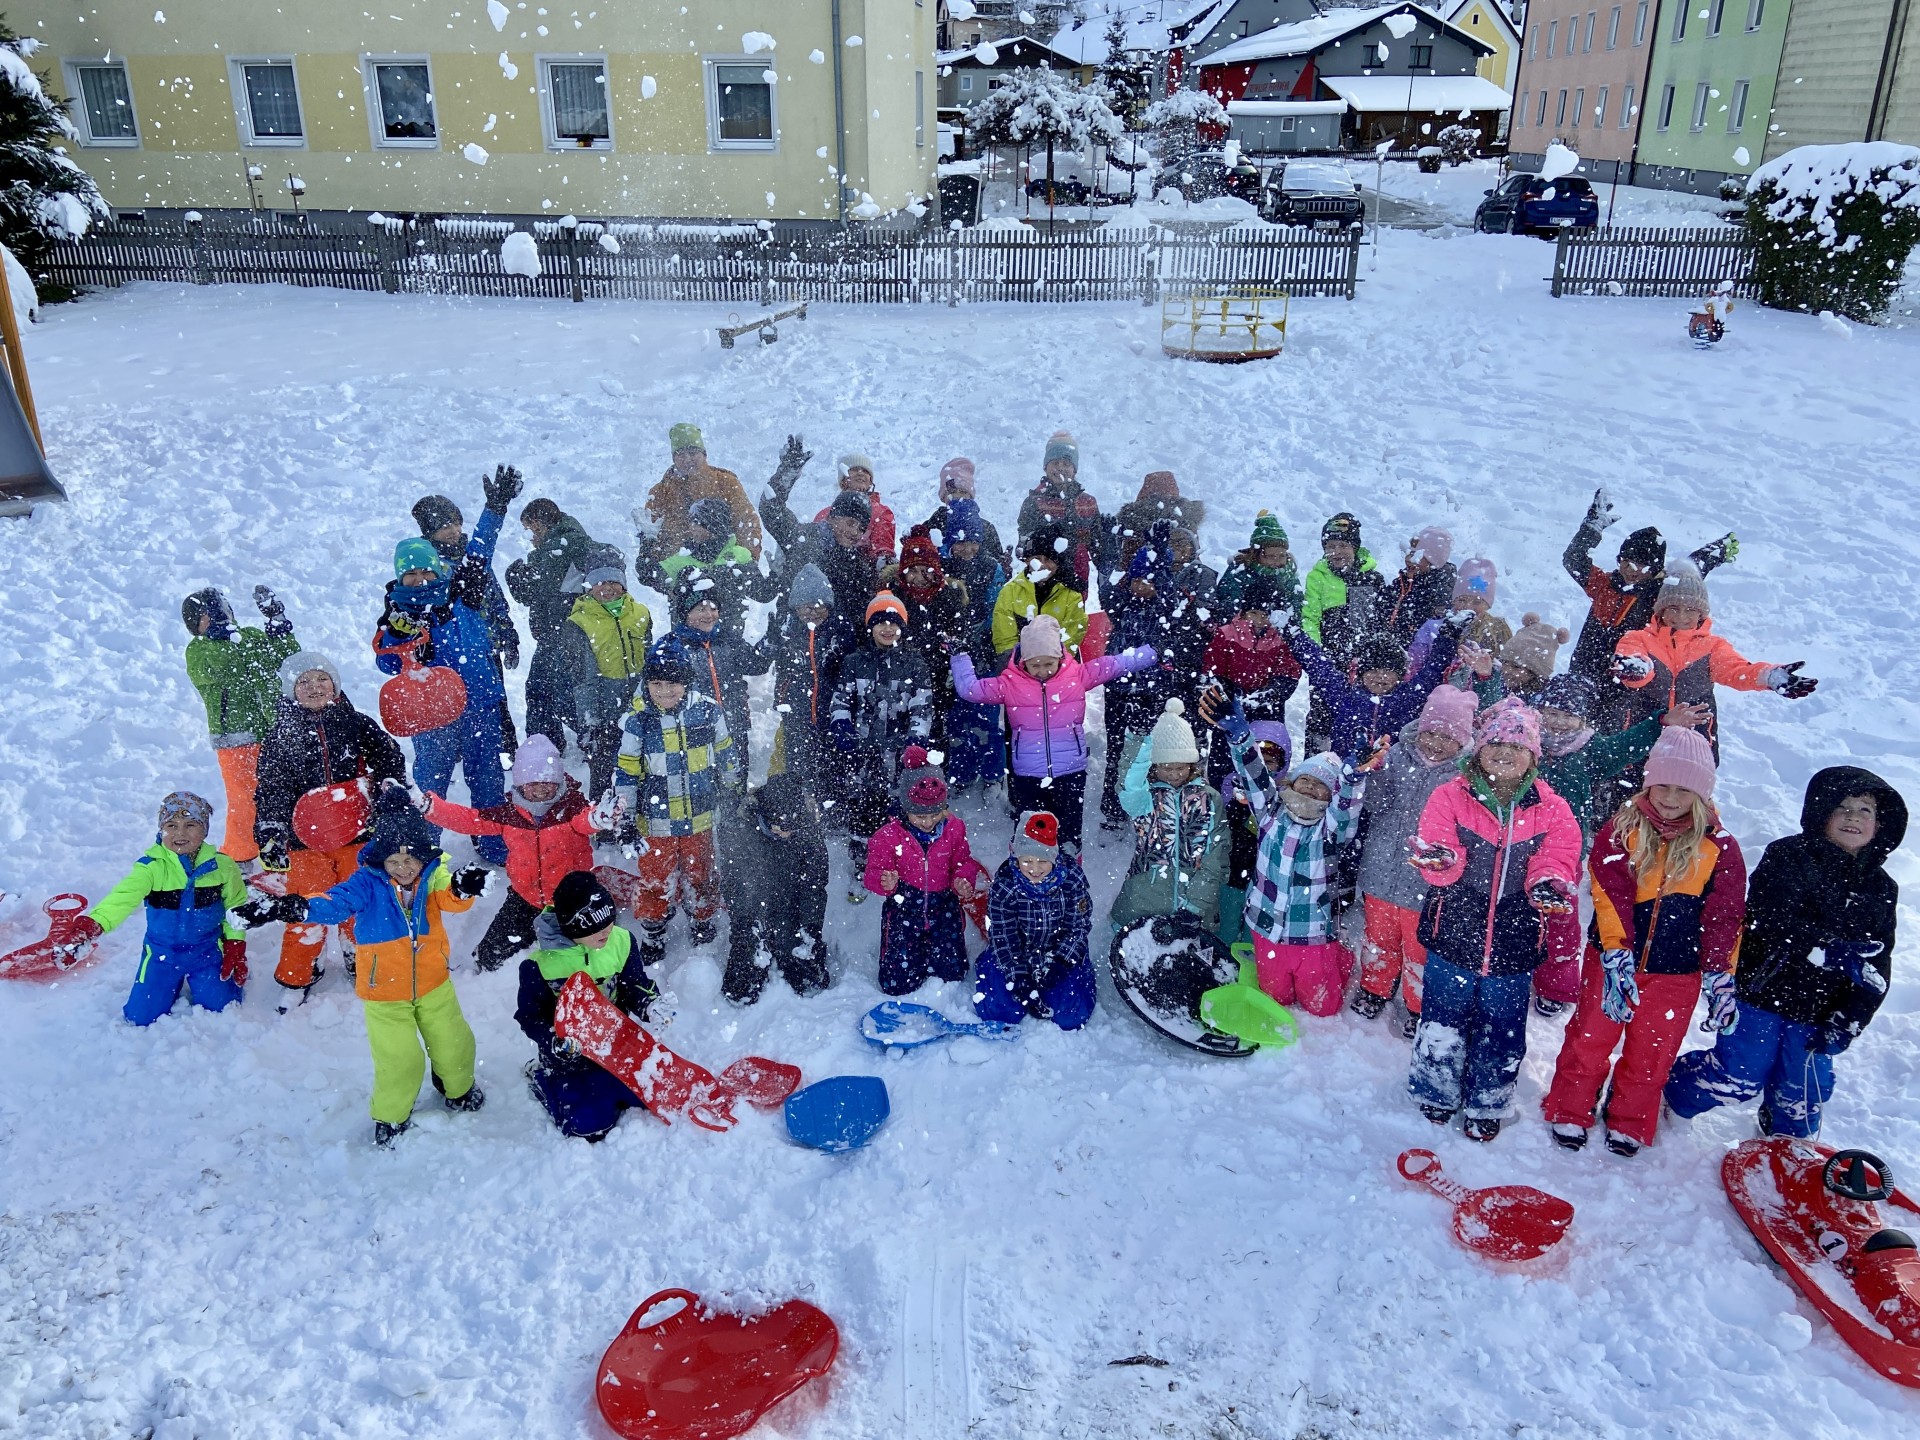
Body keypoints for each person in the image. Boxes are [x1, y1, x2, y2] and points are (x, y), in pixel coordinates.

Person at [235, 791, 490, 1148]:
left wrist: (464, 887)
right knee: (400, 1060)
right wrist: (293, 908)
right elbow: (336, 903)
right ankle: (391, 1114)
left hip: (433, 983)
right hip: (385, 991)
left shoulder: (433, 874)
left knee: (454, 1044)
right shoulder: (366, 883)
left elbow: (450, 895)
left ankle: (458, 1089)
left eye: (411, 860)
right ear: (380, 860)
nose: (403, 868)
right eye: (394, 861)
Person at [1666, 767, 1907, 1139]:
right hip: (1762, 992)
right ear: (1821, 812)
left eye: (1865, 811)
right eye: (1842, 807)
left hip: (1821, 1008)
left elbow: (1877, 963)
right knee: (1739, 1074)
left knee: (1805, 1089)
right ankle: (1672, 1094)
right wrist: (1824, 949)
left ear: (1881, 824)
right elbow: (1767, 918)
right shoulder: (1788, 856)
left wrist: (1851, 1016)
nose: (1852, 817)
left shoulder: (1881, 888)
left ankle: (1787, 1141)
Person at [1543, 728, 1745, 1155]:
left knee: (1653, 1050)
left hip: (1677, 973)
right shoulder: (1622, 830)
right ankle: (1570, 1106)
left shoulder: (1719, 847)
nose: (1670, 796)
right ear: (1648, 783)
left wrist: (1719, 973)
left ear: (1702, 793)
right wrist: (1617, 953)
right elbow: (1608, 894)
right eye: (1662, 785)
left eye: (1683, 788)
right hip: (1612, 959)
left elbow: (1725, 915)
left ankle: (1631, 1118)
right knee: (1591, 1037)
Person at [1405, 697, 1582, 1142]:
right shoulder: (1450, 795)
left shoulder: (1553, 809)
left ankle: (1490, 1098)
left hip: (1515, 937)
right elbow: (1435, 845)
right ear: (1479, 750)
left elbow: (1560, 857)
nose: (1506, 752)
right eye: (1496, 743)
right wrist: (1441, 860)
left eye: (1518, 747)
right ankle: (1435, 1087)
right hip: (1454, 929)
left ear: (1534, 758)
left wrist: (1548, 882)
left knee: (1503, 1024)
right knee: (1443, 1015)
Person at [374, 465, 524, 867]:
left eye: (426, 570)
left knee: (488, 779)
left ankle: (493, 843)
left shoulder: (465, 591)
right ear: (400, 577)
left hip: (480, 704)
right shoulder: (397, 612)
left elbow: (481, 547)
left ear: (438, 567)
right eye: (411, 572)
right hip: (434, 715)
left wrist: (495, 507)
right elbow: (386, 665)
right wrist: (400, 640)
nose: (420, 578)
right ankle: (424, 852)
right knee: (430, 785)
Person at [1204, 692, 1375, 1017]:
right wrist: (1240, 738)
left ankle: (1339, 956)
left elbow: (1346, 809)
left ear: (1331, 795)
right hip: (1266, 927)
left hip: (1310, 933)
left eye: (1321, 785)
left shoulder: (1330, 829)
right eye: (1306, 780)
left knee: (1323, 1007)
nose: (1311, 786)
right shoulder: (1270, 809)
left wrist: (1351, 779)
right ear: (1292, 782)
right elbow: (1254, 776)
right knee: (1276, 999)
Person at [253, 651, 406, 1006]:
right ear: (291, 690)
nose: (314, 687)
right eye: (303, 682)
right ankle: (298, 974)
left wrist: (388, 786)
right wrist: (272, 830)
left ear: (334, 684)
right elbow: (271, 787)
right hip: (302, 840)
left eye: (321, 679)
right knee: (306, 906)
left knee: (359, 900)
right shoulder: (280, 735)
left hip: (355, 832)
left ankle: (361, 955)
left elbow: (388, 756)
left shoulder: (354, 722)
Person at [951, 614, 1155, 856]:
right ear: (1023, 661)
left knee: (1069, 833)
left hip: (1071, 771)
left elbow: (1115, 664)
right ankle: (1027, 871)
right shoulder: (1010, 683)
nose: (1042, 671)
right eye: (1035, 665)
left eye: (1049, 663)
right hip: (1028, 774)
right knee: (1030, 831)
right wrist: (960, 656)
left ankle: (1070, 874)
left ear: (1060, 656)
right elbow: (970, 690)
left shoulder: (1077, 675)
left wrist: (1152, 652)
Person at [1348, 687, 1476, 1033]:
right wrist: (1370, 773)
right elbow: (1372, 803)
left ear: (1462, 742)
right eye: (1430, 733)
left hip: (1426, 881)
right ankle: (1375, 986)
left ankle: (1419, 1004)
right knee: (1379, 937)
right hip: (1381, 867)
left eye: (1447, 737)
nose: (1435, 743)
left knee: (1420, 948)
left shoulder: (1464, 777)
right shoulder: (1396, 757)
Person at [612, 638, 743, 966]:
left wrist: (734, 793)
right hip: (656, 821)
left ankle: (702, 918)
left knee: (701, 872)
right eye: (656, 684)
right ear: (647, 683)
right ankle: (654, 929)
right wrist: (625, 816)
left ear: (686, 682)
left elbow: (727, 754)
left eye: (673, 684)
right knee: (655, 877)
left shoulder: (709, 711)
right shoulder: (638, 720)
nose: (665, 691)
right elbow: (626, 772)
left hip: (700, 815)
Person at [67, 792, 249, 1026]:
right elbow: (122, 898)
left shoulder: (223, 867)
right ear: (161, 829)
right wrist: (94, 924)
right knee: (140, 1016)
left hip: (208, 950)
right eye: (171, 825)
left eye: (191, 824)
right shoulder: (151, 868)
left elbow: (235, 905)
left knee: (222, 1007)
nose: (180, 833)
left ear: (204, 830)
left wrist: (235, 944)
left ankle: (209, 983)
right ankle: (166, 986)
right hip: (161, 953)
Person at [421, 734, 599, 972]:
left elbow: (588, 820)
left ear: (558, 780)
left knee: (582, 960)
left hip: (571, 897)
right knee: (489, 956)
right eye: (532, 783)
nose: (540, 790)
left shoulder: (572, 807)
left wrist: (601, 817)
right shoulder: (510, 815)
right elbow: (471, 820)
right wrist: (433, 809)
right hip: (526, 898)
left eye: (547, 782)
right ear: (519, 784)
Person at [1612, 562, 1816, 761]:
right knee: (1633, 791)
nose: (1681, 616)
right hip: (1643, 735)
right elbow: (1636, 663)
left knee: (1688, 792)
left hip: (1695, 740)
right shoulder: (1638, 638)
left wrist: (1768, 676)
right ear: (1661, 610)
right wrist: (1636, 669)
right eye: (1673, 607)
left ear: (1701, 613)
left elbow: (1736, 671)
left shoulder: (1713, 646)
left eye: (1690, 609)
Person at [1561, 488, 1736, 719]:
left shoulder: (1658, 593)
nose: (1632, 571)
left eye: (1642, 566)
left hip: (1626, 681)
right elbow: (1573, 559)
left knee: (1609, 735)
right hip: (1584, 675)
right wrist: (1592, 527)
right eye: (1627, 562)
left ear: (1654, 569)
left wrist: (1713, 553)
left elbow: (1689, 570)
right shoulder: (1604, 585)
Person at [515, 871, 659, 1141]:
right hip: (570, 1056)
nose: (607, 931)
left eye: (609, 921)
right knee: (589, 1126)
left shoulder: (621, 941)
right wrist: (553, 1041)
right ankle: (542, 1080)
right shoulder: (540, 965)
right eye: (595, 927)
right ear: (572, 929)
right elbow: (529, 1016)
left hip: (615, 1044)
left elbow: (634, 984)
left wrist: (650, 1004)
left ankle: (606, 1084)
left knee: (649, 1096)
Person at [1101, 519, 1216, 827]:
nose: (1143, 586)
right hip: (1119, 688)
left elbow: (1168, 592)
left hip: (1151, 690)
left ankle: (1146, 802)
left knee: (1145, 751)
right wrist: (1114, 548)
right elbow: (1105, 586)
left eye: (1150, 581)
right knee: (1117, 749)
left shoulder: (1164, 608)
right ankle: (1113, 807)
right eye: (1138, 579)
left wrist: (1158, 552)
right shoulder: (1122, 604)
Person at [180, 584, 300, 865]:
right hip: (235, 738)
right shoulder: (198, 650)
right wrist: (227, 639)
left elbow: (288, 661)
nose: (216, 618)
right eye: (207, 614)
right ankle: (239, 857)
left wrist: (278, 626)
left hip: (273, 731)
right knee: (246, 801)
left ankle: (290, 851)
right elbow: (225, 667)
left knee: (284, 794)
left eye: (219, 611)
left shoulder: (250, 637)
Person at [830, 593, 935, 890]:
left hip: (900, 749)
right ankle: (863, 854)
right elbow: (841, 699)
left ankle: (897, 854)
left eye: (893, 623)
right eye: (880, 623)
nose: (887, 629)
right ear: (870, 627)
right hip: (862, 747)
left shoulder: (913, 663)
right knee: (863, 800)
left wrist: (917, 736)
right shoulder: (854, 662)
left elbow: (923, 704)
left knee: (897, 801)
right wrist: (842, 725)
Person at [864, 748, 987, 994]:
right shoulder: (888, 836)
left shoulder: (953, 828)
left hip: (944, 905)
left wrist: (962, 879)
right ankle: (912, 956)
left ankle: (935, 953)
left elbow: (963, 861)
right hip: (904, 905)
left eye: (934, 814)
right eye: (920, 815)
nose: (928, 822)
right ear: (906, 808)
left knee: (953, 975)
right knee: (895, 984)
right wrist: (884, 881)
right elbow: (872, 873)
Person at [1110, 700, 1228, 934]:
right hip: (1143, 902)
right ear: (1154, 767)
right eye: (1166, 767)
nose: (1174, 774)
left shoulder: (1209, 798)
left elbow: (1217, 856)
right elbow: (1128, 784)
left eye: (1181, 768)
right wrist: (1138, 743)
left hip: (1194, 906)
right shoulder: (1145, 798)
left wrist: (1195, 906)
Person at [975, 811, 1096, 1029]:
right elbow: (1002, 933)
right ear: (1016, 858)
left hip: (1058, 952)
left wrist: (1061, 964)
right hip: (1018, 952)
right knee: (1000, 1013)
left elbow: (1078, 927)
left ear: (1055, 857)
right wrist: (1018, 975)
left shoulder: (1071, 878)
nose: (1034, 868)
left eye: (1043, 861)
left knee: (1070, 1016)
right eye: (1027, 860)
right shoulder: (1005, 884)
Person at [550, 543, 653, 801]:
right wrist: (590, 719)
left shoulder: (640, 613)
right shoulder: (579, 622)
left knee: (642, 760)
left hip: (639, 700)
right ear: (588, 585)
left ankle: (639, 810)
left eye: (613, 580)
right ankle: (603, 819)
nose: (607, 587)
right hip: (604, 704)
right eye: (598, 581)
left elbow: (649, 657)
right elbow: (581, 677)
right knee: (605, 764)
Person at [1284, 619, 1462, 763]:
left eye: (1389, 672)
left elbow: (1432, 671)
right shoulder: (1345, 695)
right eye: (1374, 671)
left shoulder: (1408, 697)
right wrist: (1295, 636)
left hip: (1389, 777)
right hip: (1345, 771)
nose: (1381, 677)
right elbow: (1319, 665)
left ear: (1399, 676)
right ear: (1361, 674)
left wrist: (1448, 638)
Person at [720, 775, 832, 1004]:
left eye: (792, 827)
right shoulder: (743, 831)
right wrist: (748, 921)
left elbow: (814, 887)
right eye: (780, 827)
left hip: (790, 908)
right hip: (755, 908)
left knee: (805, 974)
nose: (785, 833)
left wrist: (810, 925)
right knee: (742, 984)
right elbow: (734, 885)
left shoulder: (809, 834)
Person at [411, 493, 520, 720]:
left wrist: (508, 635)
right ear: (430, 534)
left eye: (455, 523)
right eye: (443, 526)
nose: (452, 530)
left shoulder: (473, 559)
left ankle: (506, 752)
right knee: (460, 715)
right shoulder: (431, 568)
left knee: (498, 713)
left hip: (487, 648)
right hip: (452, 656)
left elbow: (496, 601)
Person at [758, 562, 858, 801]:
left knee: (833, 763)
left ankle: (834, 807)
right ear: (795, 607)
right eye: (805, 607)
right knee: (798, 762)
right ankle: (802, 808)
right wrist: (770, 643)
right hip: (795, 709)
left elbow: (853, 667)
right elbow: (756, 662)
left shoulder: (841, 629)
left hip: (832, 709)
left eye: (818, 606)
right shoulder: (786, 628)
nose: (812, 612)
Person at [505, 497, 599, 749]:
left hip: (560, 633)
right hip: (569, 632)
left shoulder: (558, 547)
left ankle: (553, 744)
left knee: (546, 692)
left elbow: (531, 591)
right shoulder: (572, 539)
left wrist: (514, 574)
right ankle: (562, 741)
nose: (530, 536)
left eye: (530, 529)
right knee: (555, 691)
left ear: (537, 524)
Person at [759, 435, 880, 621]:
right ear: (831, 518)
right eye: (850, 523)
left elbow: (860, 614)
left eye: (861, 529)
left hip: (833, 642)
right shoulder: (802, 538)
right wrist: (786, 473)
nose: (856, 533)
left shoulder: (856, 565)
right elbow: (771, 509)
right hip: (790, 634)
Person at [1200, 574, 1300, 792]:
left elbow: (1290, 672)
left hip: (1267, 711)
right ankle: (1222, 797)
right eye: (1253, 613)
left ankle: (1263, 797)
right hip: (1232, 707)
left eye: (1265, 614)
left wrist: (1271, 693)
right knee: (1223, 753)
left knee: (1264, 754)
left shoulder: (1281, 639)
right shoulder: (1226, 634)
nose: (1258, 619)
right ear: (1243, 613)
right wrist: (1227, 693)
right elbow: (1212, 667)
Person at [937, 499, 1008, 795]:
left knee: (987, 715)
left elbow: (998, 607)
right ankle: (961, 770)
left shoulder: (991, 568)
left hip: (983, 651)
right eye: (960, 542)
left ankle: (992, 773)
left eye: (973, 542)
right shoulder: (941, 567)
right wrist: (950, 637)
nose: (967, 549)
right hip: (950, 651)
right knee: (956, 716)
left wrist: (978, 633)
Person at [1299, 512, 1384, 753]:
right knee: (1322, 711)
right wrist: (1316, 654)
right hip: (1328, 657)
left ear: (1355, 547)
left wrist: (1367, 656)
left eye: (1343, 545)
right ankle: (1315, 760)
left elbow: (1372, 624)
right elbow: (1310, 617)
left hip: (1360, 661)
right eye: (1330, 546)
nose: (1337, 551)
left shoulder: (1370, 577)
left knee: (1359, 713)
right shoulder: (1319, 578)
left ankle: (1352, 759)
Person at [668, 576, 767, 775]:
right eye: (701, 609)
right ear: (686, 614)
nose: (709, 615)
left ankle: (736, 803)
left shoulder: (727, 639)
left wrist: (770, 641)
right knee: (703, 781)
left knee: (736, 774)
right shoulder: (676, 646)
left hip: (734, 723)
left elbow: (756, 664)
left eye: (713, 608)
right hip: (696, 729)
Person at [643, 495, 780, 635]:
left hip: (730, 646)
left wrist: (777, 573)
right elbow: (647, 575)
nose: (692, 528)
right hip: (690, 646)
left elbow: (763, 593)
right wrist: (647, 542)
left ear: (713, 526)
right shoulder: (680, 561)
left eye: (696, 523)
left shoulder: (739, 556)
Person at [884, 530, 972, 740]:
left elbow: (960, 642)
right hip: (900, 685)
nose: (920, 577)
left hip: (940, 686)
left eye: (927, 570)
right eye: (912, 570)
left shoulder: (950, 599)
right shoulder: (893, 599)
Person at [1214, 718, 1291, 951]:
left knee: (1255, 929)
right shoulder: (1232, 784)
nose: (1264, 769)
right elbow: (1227, 821)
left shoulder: (1286, 792)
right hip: (1234, 869)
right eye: (1259, 762)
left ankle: (1250, 962)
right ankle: (1222, 956)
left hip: (1265, 877)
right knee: (1227, 920)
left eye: (1270, 763)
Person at [646, 422, 764, 560]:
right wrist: (659, 570)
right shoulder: (660, 492)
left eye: (692, 453)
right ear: (674, 458)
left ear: (704, 454)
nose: (687, 459)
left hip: (725, 565)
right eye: (681, 454)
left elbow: (746, 522)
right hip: (676, 570)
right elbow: (653, 535)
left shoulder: (726, 483)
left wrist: (748, 560)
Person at [1014, 431, 1111, 592]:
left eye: (1066, 464)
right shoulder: (1034, 502)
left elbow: (1097, 546)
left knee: (1074, 614)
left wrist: (1108, 549)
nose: (1060, 468)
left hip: (1078, 576)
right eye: (1055, 463)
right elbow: (1024, 544)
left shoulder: (1088, 503)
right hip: (1044, 576)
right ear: (1046, 467)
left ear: (1074, 469)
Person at [992, 523, 1088, 659]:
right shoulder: (1010, 591)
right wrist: (1018, 663)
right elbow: (1004, 638)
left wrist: (1051, 663)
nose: (1042, 565)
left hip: (1059, 663)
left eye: (1048, 560)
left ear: (1058, 563)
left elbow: (1072, 635)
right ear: (1027, 560)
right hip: (1019, 663)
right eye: (1036, 559)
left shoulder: (1071, 594)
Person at [922, 458, 1010, 571]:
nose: (958, 497)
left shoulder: (986, 529)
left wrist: (1004, 570)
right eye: (952, 492)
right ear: (943, 497)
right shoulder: (932, 526)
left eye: (963, 492)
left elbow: (996, 569)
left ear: (970, 496)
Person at [1376, 528, 1457, 647]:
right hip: (1391, 649)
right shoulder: (1403, 582)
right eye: (1410, 551)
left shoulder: (1440, 589)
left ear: (1433, 560)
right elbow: (1382, 609)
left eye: (1417, 554)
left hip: (1416, 654)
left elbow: (1426, 628)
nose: (1409, 559)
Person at [1215, 511, 1303, 618]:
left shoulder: (1287, 574)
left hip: (1277, 627)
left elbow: (1297, 604)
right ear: (1256, 554)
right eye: (1271, 556)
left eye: (1282, 555)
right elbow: (1228, 601)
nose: (1277, 560)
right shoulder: (1240, 571)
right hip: (1244, 626)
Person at [813, 452, 897, 564]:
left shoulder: (881, 512)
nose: (861, 473)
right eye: (854, 469)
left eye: (866, 471)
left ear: (870, 482)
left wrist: (883, 562)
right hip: (825, 572)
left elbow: (883, 547)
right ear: (843, 481)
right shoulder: (825, 513)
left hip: (866, 576)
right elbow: (814, 544)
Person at [1113, 471, 1204, 570]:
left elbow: (1126, 562)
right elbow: (1195, 556)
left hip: (1144, 580)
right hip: (1184, 577)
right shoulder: (1186, 521)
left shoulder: (1134, 523)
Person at [1491, 614, 1571, 705]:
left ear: (1534, 675)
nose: (1508, 671)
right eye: (1506, 663)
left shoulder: (1541, 698)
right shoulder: (1491, 678)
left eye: (1517, 667)